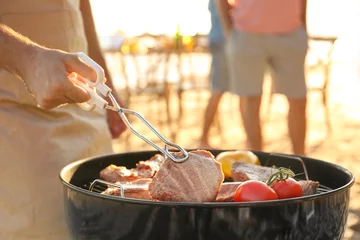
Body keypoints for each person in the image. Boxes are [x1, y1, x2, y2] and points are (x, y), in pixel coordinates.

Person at [0, 1, 126, 239]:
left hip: (87, 112)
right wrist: (28, 58)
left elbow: (81, 7)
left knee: (102, 226)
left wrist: (107, 87)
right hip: (17, 120)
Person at [216, 0, 308, 155]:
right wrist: (228, 30)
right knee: (250, 100)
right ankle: (257, 161)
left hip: (291, 32)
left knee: (298, 100)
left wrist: (303, 26)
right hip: (246, 33)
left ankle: (302, 160)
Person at [199, 0, 231, 149]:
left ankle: (204, 137)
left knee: (218, 91)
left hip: (223, 39)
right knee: (217, 90)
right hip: (224, 40)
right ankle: (203, 138)